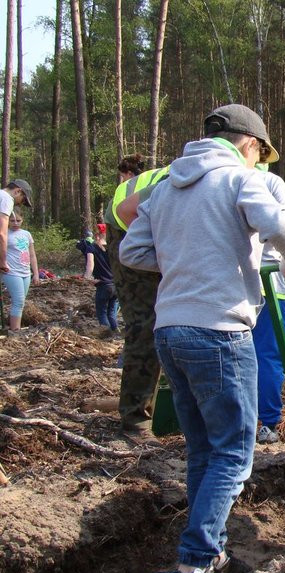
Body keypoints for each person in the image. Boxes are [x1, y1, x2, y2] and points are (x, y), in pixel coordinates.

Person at [120, 103, 285, 573]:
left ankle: (212, 551)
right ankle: (198, 558)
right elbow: (280, 226)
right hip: (221, 330)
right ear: (249, 144)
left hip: (171, 330)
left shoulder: (165, 186)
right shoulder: (239, 178)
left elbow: (133, 249)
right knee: (233, 451)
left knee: (204, 448)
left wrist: (188, 260)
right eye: (259, 154)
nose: (258, 162)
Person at [105, 160, 170, 436]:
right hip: (125, 228)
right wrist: (166, 250)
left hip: (148, 225)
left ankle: (167, 409)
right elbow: (126, 210)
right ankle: (136, 419)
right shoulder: (186, 177)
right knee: (148, 324)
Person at [251, 162, 285, 444]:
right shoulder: (270, 181)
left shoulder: (213, 179)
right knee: (270, 354)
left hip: (225, 283)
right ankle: (266, 423)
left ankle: (238, 420)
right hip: (267, 283)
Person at [2, 211, 39, 332]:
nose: (15, 223)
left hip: (26, 272)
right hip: (11, 272)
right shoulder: (4, 234)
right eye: (12, 221)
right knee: (18, 300)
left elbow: (32, 255)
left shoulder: (26, 234)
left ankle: (15, 326)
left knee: (21, 302)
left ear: (22, 220)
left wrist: (36, 274)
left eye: (18, 220)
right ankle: (15, 330)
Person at [84, 225, 119, 331]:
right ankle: (116, 332)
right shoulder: (113, 247)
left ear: (97, 235)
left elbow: (90, 264)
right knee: (112, 313)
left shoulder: (92, 247)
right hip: (116, 285)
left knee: (102, 312)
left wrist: (87, 278)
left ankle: (106, 333)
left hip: (103, 285)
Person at [0, 179, 33, 275]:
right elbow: (2, 233)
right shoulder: (7, 199)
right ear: (17, 191)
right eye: (23, 199)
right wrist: (3, 261)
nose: (20, 203)